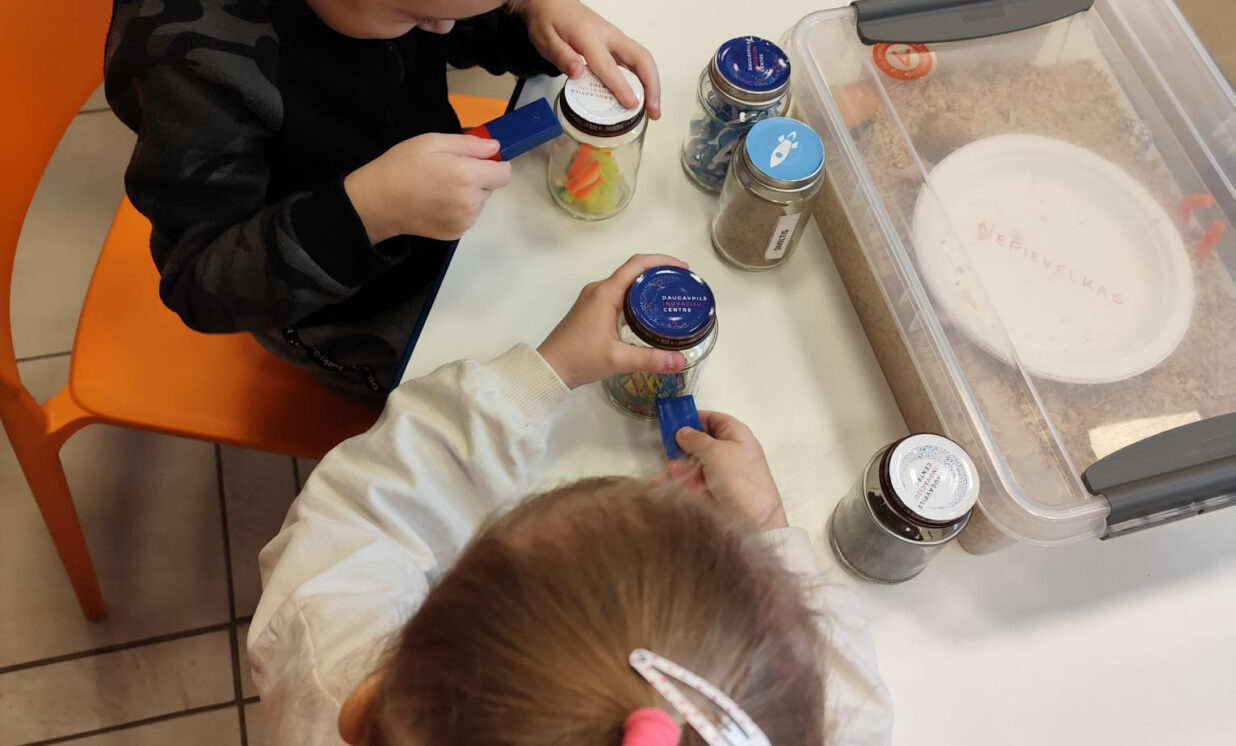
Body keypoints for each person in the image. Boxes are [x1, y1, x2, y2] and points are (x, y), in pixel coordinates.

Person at [247, 254, 894, 746]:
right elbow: (850, 707)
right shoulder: (815, 723)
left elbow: (364, 513)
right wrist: (768, 529)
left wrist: (543, 373)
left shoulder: (330, 682)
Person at [104, 0, 660, 401]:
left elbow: (459, 20)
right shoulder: (192, 64)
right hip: (344, 308)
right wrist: (367, 212)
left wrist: (534, 17)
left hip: (432, 213)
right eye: (419, 19)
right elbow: (200, 282)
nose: (442, 30)